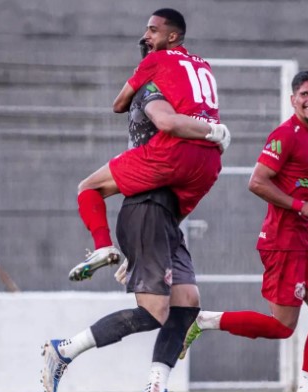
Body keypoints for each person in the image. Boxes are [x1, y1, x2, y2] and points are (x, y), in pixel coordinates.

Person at [41, 33, 229, 392]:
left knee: (187, 302)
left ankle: (155, 390)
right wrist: (214, 132)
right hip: (146, 205)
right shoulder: (154, 90)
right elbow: (166, 121)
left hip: (162, 215)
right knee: (155, 310)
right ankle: (64, 349)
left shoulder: (171, 87)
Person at [179, 71, 308, 392]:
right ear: (293, 100)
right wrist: (303, 206)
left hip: (305, 240)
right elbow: (257, 182)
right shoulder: (285, 135)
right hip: (282, 241)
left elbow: (298, 180)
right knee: (282, 327)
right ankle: (204, 320)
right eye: (304, 94)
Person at [69, 8, 225, 282]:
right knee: (169, 219)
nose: (146, 35)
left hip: (174, 152)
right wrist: (214, 131)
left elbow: (119, 105)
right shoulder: (204, 64)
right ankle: (135, 258)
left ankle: (103, 247)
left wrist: (143, 72)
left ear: (173, 36)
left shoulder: (156, 61)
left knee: (88, 188)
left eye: (153, 30)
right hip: (209, 162)